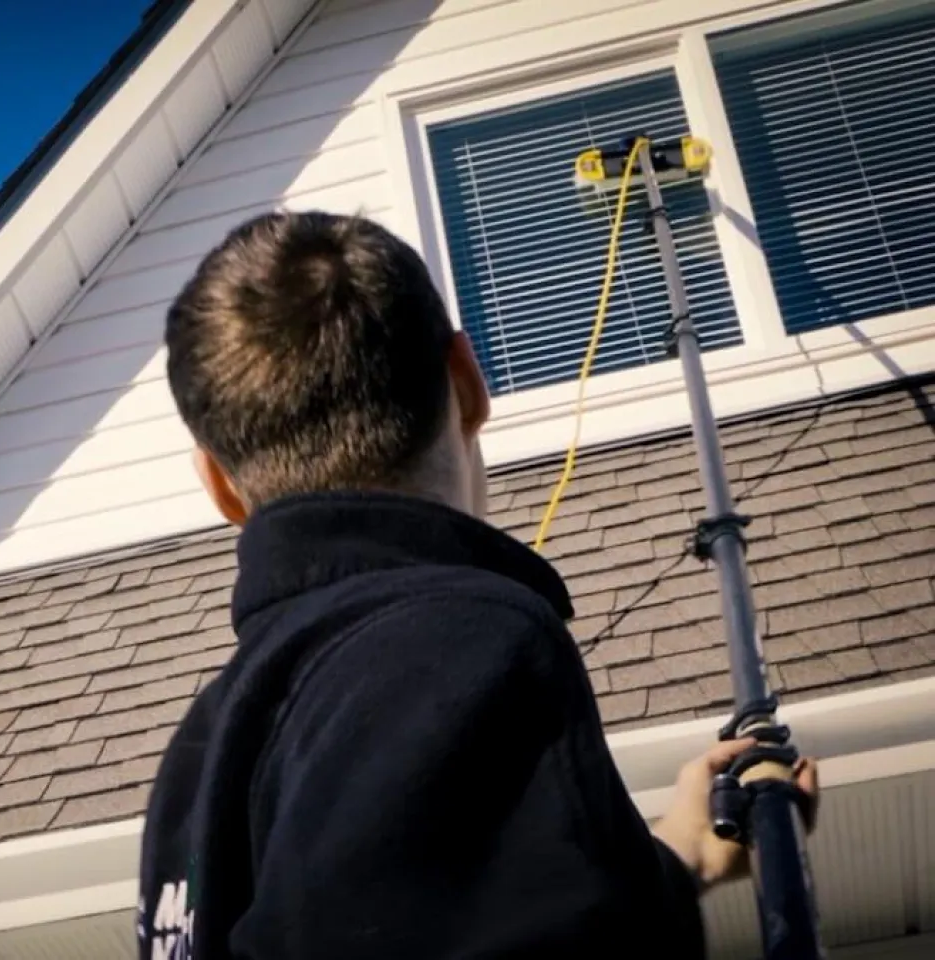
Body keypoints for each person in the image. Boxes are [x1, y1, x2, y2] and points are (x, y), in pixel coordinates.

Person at [136, 210, 819, 959]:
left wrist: (675, 856)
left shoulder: (199, 761)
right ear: (466, 383)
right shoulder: (465, 644)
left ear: (218, 485)